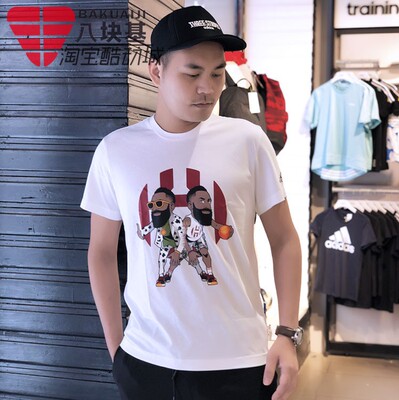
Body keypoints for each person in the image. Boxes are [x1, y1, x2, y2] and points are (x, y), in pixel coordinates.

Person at [81, 5, 302, 400]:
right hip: (146, 361)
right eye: (192, 73)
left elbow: (284, 239)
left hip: (240, 361)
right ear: (156, 71)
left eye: (217, 73)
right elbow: (100, 251)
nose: (208, 88)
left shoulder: (248, 141)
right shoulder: (116, 150)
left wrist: (287, 333)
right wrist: (117, 351)